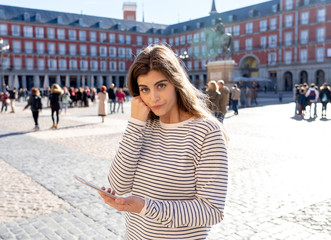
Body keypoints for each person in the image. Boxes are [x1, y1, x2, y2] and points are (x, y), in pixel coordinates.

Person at [98, 44, 228, 240]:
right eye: (145, 89)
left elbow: (211, 210)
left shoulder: (206, 131)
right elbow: (119, 185)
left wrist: (144, 207)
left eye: (161, 85)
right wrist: (135, 125)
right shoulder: (143, 127)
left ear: (176, 83)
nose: (154, 98)